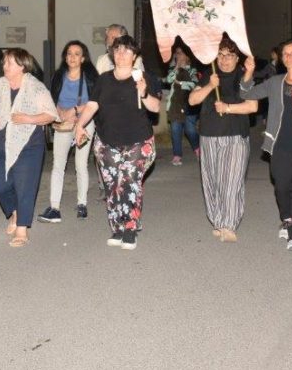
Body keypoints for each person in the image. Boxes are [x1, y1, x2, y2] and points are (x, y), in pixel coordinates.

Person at [74, 35, 161, 250]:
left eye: (126, 50)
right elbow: (92, 105)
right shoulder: (104, 79)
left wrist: (144, 93)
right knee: (112, 184)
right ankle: (118, 227)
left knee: (129, 180)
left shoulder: (142, 78)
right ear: (112, 53)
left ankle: (130, 227)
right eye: (118, 49)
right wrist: (80, 124)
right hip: (107, 140)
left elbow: (155, 107)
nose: (121, 53)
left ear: (134, 56)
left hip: (138, 141)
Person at [239, 40, 292, 251]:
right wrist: (248, 72)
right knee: (281, 186)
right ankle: (287, 218)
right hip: (280, 145)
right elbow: (246, 93)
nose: (288, 56)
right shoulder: (275, 82)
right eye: (285, 53)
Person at [0, 49, 58, 247]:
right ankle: (14, 212)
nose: (5, 66)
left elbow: (51, 114)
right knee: (0, 187)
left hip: (28, 146)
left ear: (22, 66)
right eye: (4, 62)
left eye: (10, 63)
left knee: (25, 188)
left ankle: (22, 229)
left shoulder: (36, 87)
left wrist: (28, 118)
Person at [189, 37, 255, 242]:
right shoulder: (210, 75)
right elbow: (192, 100)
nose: (224, 60)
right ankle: (217, 221)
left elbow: (252, 106)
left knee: (231, 182)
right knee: (212, 182)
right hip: (209, 136)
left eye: (229, 55)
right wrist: (210, 86)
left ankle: (229, 224)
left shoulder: (244, 77)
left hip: (235, 136)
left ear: (237, 58)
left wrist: (228, 108)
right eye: (220, 55)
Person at [38, 41, 98, 223]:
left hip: (84, 123)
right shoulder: (59, 75)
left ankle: (82, 204)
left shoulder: (90, 76)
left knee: (81, 164)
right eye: (69, 53)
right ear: (65, 57)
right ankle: (54, 207)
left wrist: (74, 111)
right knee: (58, 165)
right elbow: (52, 97)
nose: (72, 57)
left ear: (83, 58)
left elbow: (95, 101)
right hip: (62, 124)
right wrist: (59, 112)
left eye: (77, 54)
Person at [164, 46, 200, 166]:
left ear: (187, 56)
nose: (177, 55)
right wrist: (176, 68)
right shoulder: (173, 69)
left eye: (180, 53)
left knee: (190, 130)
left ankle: (197, 148)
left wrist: (180, 83)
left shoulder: (192, 70)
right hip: (175, 105)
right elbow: (168, 80)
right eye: (176, 53)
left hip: (189, 104)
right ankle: (177, 155)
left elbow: (193, 85)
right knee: (175, 129)